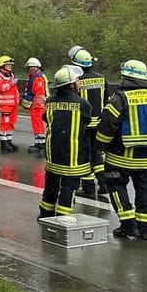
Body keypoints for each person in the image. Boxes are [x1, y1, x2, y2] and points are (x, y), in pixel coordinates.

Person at [94, 60, 147, 240]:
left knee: (116, 185)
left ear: (126, 77)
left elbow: (107, 126)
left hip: (121, 156)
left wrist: (100, 146)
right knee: (144, 189)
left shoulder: (119, 98)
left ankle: (128, 226)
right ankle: (144, 229)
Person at [38, 65, 91, 219]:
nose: (79, 83)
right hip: (73, 157)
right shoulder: (82, 103)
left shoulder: (50, 101)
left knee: (50, 187)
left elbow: (46, 118)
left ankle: (45, 215)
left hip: (53, 154)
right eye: (77, 80)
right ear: (72, 84)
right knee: (68, 189)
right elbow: (87, 122)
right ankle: (62, 218)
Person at [68, 46, 109, 199]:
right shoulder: (101, 77)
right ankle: (103, 184)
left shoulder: (76, 81)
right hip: (98, 123)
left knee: (84, 155)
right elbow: (106, 99)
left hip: (83, 123)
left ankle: (88, 188)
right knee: (96, 153)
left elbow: (73, 101)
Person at [21, 57, 48, 153]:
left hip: (38, 106)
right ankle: (40, 143)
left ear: (38, 67)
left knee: (38, 125)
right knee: (37, 124)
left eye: (34, 67)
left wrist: (31, 101)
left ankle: (40, 144)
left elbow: (38, 93)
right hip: (37, 105)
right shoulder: (35, 76)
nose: (32, 68)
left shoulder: (38, 78)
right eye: (30, 67)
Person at [0, 55, 20, 153]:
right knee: (5, 123)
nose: (10, 66)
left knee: (11, 123)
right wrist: (11, 83)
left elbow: (15, 90)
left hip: (13, 104)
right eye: (7, 65)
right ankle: (4, 143)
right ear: (2, 65)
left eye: (10, 65)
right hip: (5, 105)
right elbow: (2, 88)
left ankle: (9, 141)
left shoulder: (11, 75)